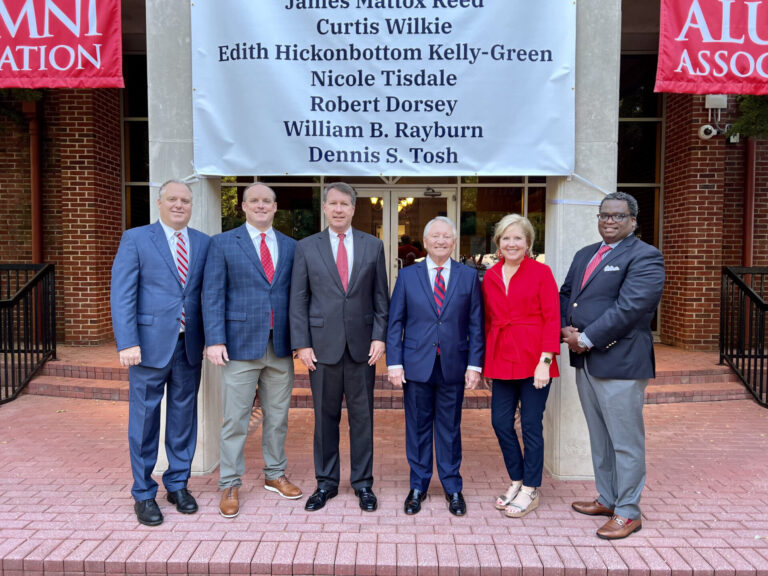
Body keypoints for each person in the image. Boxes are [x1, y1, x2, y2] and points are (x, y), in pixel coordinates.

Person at [560, 191, 665, 540]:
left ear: (633, 221)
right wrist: (564, 327)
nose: (609, 221)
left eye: (618, 216)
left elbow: (631, 308)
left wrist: (586, 337)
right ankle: (608, 498)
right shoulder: (585, 254)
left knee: (625, 441)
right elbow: (566, 294)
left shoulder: (646, 257)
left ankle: (628, 511)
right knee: (600, 437)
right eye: (604, 215)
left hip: (620, 362)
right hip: (586, 361)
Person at [110, 179, 210, 527]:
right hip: (148, 347)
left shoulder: (202, 242)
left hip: (188, 346)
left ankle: (178, 485)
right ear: (159, 202)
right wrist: (127, 342)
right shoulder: (136, 239)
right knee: (144, 420)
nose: (179, 205)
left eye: (185, 200)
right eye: (173, 199)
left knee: (184, 419)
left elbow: (205, 297)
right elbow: (122, 293)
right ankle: (143, 492)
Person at [202, 183, 301, 519]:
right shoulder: (223, 243)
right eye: (254, 201)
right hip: (239, 345)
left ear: (275, 207)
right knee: (235, 419)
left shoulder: (290, 246)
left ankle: (275, 473)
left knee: (278, 417)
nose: (261, 206)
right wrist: (214, 339)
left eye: (267, 201)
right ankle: (230, 482)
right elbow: (212, 294)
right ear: (243, 206)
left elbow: (297, 297)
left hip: (280, 346)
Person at [289, 182, 389, 513]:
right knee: (325, 418)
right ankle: (326, 483)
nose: (338, 209)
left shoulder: (373, 246)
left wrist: (379, 336)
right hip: (321, 348)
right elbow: (298, 299)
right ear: (325, 207)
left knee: (363, 419)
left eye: (344, 204)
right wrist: (302, 343)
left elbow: (380, 298)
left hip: (363, 348)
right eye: (333, 203)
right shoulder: (306, 247)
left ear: (353, 209)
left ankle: (363, 484)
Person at [386, 216, 484, 516]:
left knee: (450, 429)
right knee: (417, 428)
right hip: (416, 365)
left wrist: (475, 365)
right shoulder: (407, 276)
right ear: (425, 242)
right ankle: (418, 485)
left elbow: (476, 324)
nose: (441, 241)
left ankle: (453, 486)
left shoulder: (468, 276)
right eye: (435, 237)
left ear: (454, 242)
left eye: (447, 237)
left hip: (454, 363)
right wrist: (394, 362)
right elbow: (396, 322)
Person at [482, 214, 560, 518]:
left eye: (517, 238)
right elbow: (488, 322)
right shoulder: (490, 276)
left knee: (530, 425)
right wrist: (487, 364)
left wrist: (545, 361)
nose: (511, 243)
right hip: (501, 357)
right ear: (498, 243)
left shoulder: (541, 272)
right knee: (500, 423)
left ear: (528, 243)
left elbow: (552, 317)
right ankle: (516, 479)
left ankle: (531, 487)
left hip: (534, 359)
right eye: (505, 238)